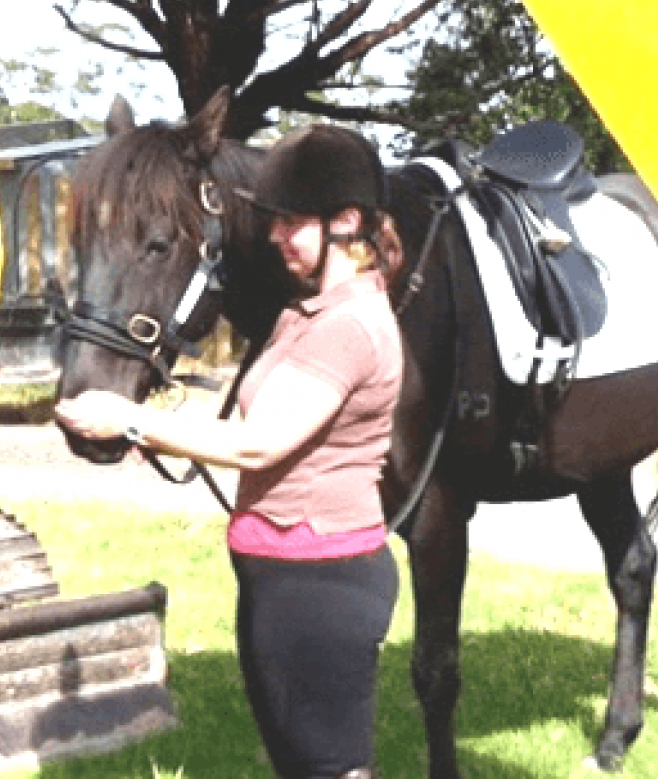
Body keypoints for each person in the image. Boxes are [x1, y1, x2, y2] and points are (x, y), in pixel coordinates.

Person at [56, 124, 404, 779]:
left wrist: (130, 420)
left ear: (345, 222)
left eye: (290, 222)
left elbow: (258, 444)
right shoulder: (307, 314)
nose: (272, 236)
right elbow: (266, 416)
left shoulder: (348, 326)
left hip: (320, 584)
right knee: (297, 764)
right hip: (281, 576)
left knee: (335, 769)